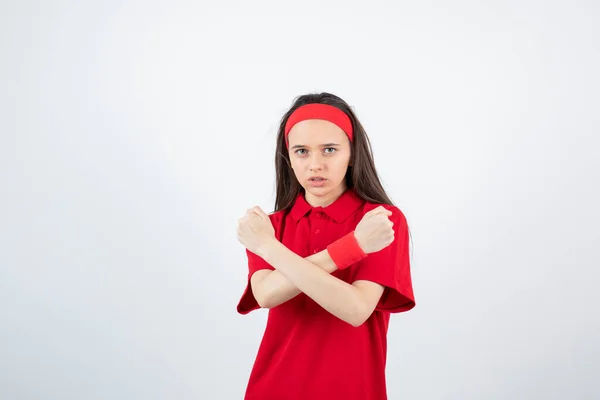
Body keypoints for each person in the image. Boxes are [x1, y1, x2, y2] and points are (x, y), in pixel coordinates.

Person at [236, 92, 416, 400]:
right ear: (288, 158)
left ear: (351, 153)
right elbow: (266, 294)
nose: (315, 164)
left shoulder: (381, 221)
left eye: (329, 150)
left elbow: (356, 309)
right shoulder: (270, 227)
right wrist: (353, 247)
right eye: (302, 151)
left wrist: (270, 249)